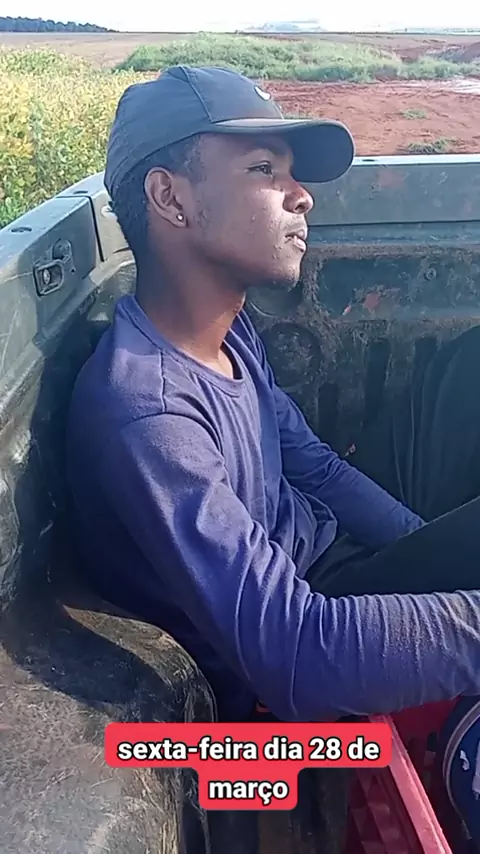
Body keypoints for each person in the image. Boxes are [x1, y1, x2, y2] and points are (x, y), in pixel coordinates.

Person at [66, 65, 480, 730]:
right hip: (301, 637)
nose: (303, 197)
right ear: (170, 198)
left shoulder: (227, 331)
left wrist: (432, 554)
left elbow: (313, 465)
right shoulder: (149, 417)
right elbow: (298, 661)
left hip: (328, 564)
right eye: (264, 169)